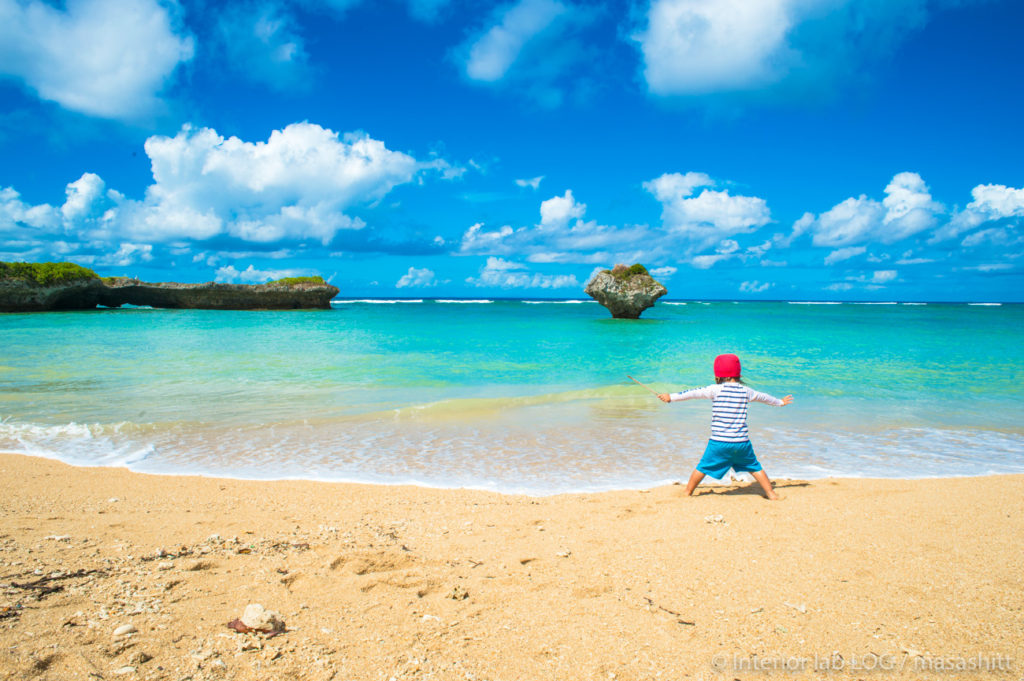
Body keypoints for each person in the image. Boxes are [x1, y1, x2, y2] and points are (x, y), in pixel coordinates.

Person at [657, 353, 793, 500]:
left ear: (718, 375)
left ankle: (687, 492)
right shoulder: (746, 391)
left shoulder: (715, 389)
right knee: (755, 467)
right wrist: (780, 402)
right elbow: (764, 397)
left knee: (702, 467)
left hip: (719, 442)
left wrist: (671, 397)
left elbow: (692, 393)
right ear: (738, 374)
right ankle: (771, 494)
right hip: (741, 443)